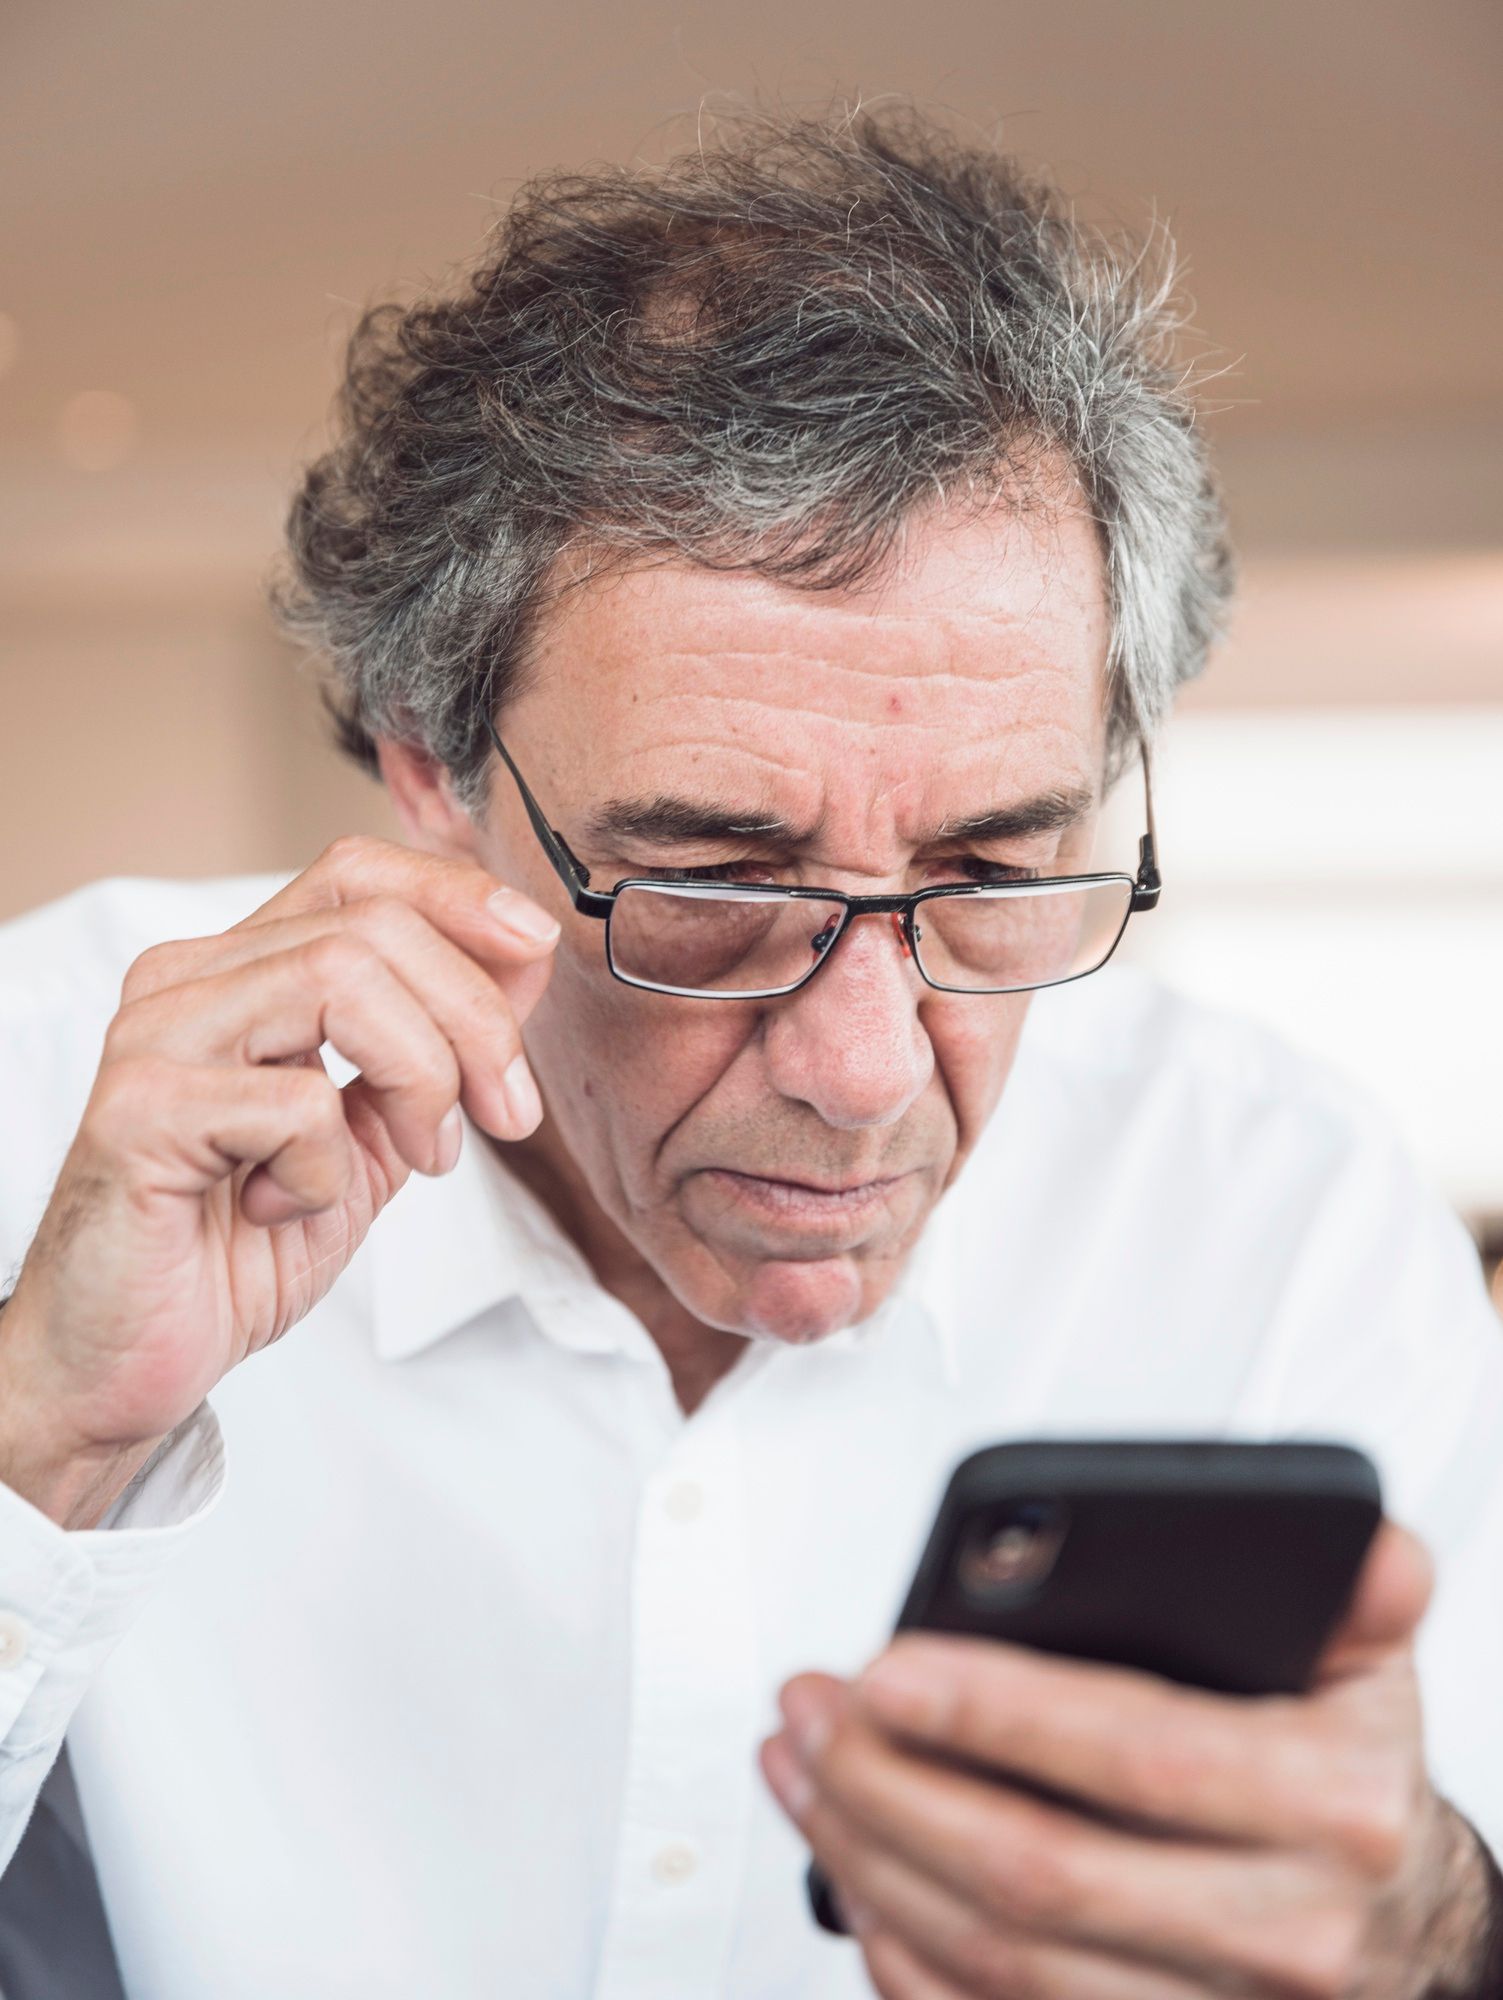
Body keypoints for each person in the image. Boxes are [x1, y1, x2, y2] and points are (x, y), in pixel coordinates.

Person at [1, 105, 1500, 1999]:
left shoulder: (1284, 1214)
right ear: (428, 767)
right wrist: (38, 1436)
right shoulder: (46, 1109)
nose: (868, 1071)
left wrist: (1432, 1929)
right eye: (712, 880)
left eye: (992, 870)